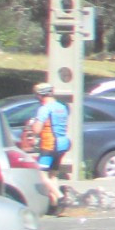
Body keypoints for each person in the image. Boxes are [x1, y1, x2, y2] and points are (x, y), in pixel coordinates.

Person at [26, 82, 72, 211]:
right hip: (62, 144)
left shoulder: (44, 108)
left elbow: (36, 130)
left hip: (49, 144)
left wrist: (32, 124)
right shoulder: (62, 107)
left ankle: (61, 197)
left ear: (40, 95)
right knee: (53, 175)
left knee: (42, 175)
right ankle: (55, 205)